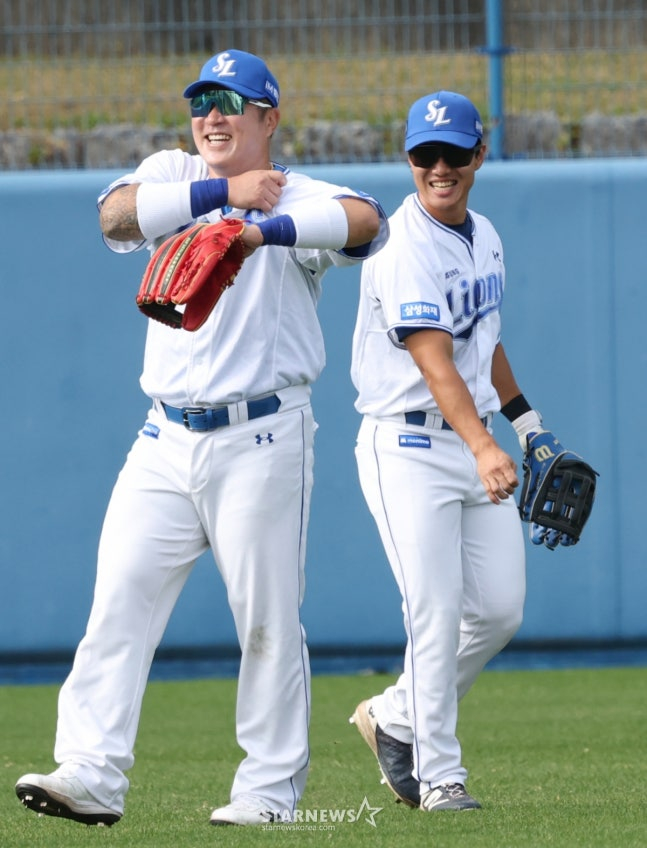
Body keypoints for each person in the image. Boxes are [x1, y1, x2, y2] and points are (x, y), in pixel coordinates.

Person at [15, 48, 387, 828]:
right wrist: (222, 195)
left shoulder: (302, 193)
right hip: (162, 438)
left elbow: (366, 223)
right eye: (202, 102)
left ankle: (267, 793)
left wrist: (262, 228)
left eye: (231, 102)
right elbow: (113, 213)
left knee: (266, 621)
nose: (211, 116)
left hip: (262, 436)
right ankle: (90, 771)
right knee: (117, 602)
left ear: (268, 118)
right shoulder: (175, 172)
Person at [349, 91, 544, 812]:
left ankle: (394, 717)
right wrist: (485, 446)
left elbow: (479, 342)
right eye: (424, 155)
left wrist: (526, 425)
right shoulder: (401, 245)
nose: (439, 167)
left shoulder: (484, 233)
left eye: (453, 154)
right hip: (405, 444)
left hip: (472, 438)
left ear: (478, 156)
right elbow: (433, 361)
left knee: (496, 612)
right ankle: (439, 778)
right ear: (407, 160)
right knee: (432, 612)